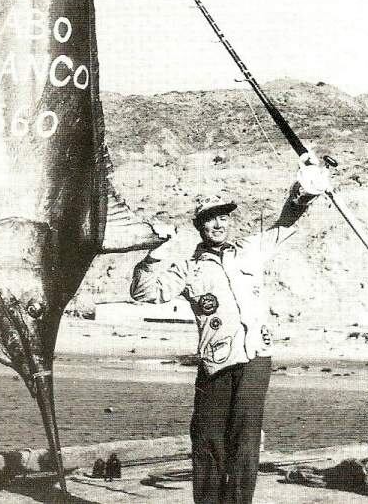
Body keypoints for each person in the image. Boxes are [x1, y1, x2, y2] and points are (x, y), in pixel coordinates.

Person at [130, 153, 331, 504]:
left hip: (255, 357)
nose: (218, 224)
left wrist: (305, 192)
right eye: (209, 220)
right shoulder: (188, 268)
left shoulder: (251, 251)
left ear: (229, 221)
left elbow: (284, 222)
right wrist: (153, 255)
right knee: (207, 438)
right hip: (215, 363)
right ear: (200, 227)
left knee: (245, 438)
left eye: (222, 217)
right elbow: (143, 292)